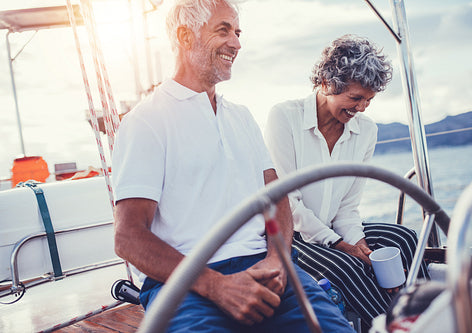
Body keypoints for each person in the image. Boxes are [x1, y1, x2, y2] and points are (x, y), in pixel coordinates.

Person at [112, 1, 354, 332]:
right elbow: (128, 237)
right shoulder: (146, 122)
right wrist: (216, 286)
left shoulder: (241, 117)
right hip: (184, 287)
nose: (237, 43)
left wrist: (277, 258)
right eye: (223, 30)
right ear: (185, 36)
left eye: (238, 32)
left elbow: (276, 198)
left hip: (266, 268)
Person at [265, 35, 430, 329]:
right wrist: (341, 245)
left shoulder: (366, 131)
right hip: (292, 234)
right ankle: (399, 326)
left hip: (333, 230)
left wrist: (358, 242)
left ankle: (433, 315)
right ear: (328, 84)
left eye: (369, 99)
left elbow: (348, 206)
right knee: (349, 267)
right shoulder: (284, 118)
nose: (363, 108)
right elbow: (288, 203)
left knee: (404, 239)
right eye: (356, 98)